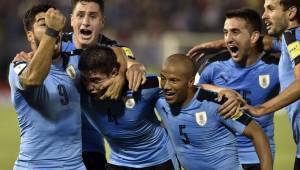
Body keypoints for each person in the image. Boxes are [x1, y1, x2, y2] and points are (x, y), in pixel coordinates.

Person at [62, 1, 147, 169]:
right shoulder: (58, 47)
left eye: (93, 16)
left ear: (102, 22)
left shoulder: (112, 50)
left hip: (91, 150)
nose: (86, 21)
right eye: (80, 15)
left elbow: (130, 61)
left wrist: (134, 68)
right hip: (57, 148)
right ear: (71, 20)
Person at [156, 54, 273, 170]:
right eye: (163, 78)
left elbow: (257, 133)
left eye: (173, 81)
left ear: (190, 82)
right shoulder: (159, 99)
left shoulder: (217, 104)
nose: (166, 86)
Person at [196, 9, 280, 170]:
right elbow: (189, 89)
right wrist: (219, 90)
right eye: (225, 33)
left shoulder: (274, 68)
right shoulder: (213, 65)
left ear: (254, 37)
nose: (228, 39)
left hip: (259, 155)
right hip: (221, 157)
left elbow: (293, 47)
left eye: (235, 32)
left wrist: (270, 42)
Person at [9, 4, 86, 169]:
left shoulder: (76, 62)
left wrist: (129, 62)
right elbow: (32, 79)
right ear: (30, 36)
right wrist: (51, 33)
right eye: (44, 24)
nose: (53, 28)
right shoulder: (19, 66)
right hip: (34, 166)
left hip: (75, 166)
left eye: (55, 24)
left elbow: (109, 52)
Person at [78, 45, 175, 170]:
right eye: (85, 80)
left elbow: (177, 88)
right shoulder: (79, 91)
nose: (89, 87)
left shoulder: (142, 86)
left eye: (96, 80)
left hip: (160, 161)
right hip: (118, 163)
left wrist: (172, 122)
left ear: (114, 73)